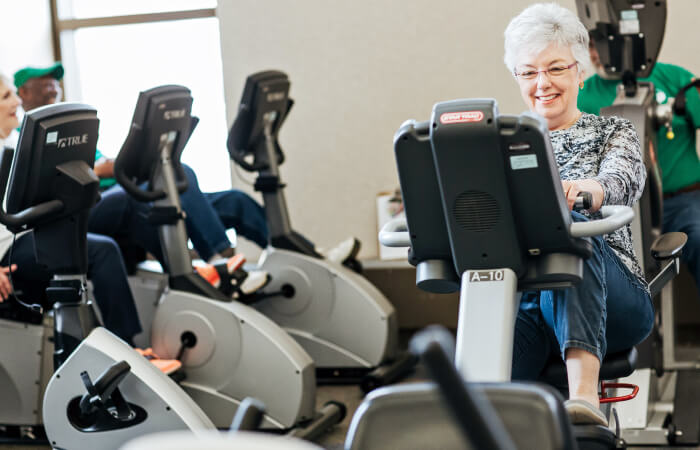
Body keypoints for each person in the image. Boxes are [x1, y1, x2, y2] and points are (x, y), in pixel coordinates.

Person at [503, 3, 654, 425]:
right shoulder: (505, 142)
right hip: (531, 299)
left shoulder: (612, 131)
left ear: (580, 71)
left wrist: (583, 191)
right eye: (529, 72)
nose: (542, 83)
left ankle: (584, 399)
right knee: (492, 408)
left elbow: (620, 179)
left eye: (555, 68)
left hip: (613, 298)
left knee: (571, 230)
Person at [14, 62, 270, 263]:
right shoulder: (22, 137)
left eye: (55, 83)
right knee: (177, 176)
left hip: (128, 186)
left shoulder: (70, 129)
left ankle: (286, 248)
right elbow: (46, 180)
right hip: (97, 201)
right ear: (23, 92)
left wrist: (119, 163)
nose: (54, 88)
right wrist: (98, 170)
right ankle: (218, 257)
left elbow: (104, 163)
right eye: (45, 83)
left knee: (232, 201)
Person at [0, 70, 142, 343]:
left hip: (32, 231)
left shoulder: (15, 142)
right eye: (7, 96)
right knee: (101, 251)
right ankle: (125, 348)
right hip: (9, 249)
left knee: (104, 245)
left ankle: (117, 348)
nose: (17, 102)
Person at [578, 43, 700, 297]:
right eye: (590, 44)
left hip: (684, 201)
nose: (595, 52)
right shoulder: (584, 96)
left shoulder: (674, 78)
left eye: (601, 43)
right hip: (622, 208)